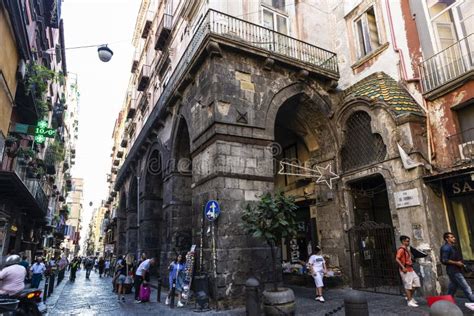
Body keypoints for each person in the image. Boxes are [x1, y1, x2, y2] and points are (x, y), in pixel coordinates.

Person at [440, 232, 474, 302]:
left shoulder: (452, 247)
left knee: (452, 288)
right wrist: (457, 263)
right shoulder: (446, 248)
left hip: (456, 270)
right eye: (451, 237)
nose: (454, 238)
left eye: (453, 237)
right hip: (453, 271)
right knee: (466, 288)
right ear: (447, 239)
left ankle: (447, 302)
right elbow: (444, 260)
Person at [395, 235, 420, 307]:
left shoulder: (407, 249)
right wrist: (403, 267)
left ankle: (409, 297)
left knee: (416, 282)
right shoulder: (401, 249)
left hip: (410, 269)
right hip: (405, 269)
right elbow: (397, 259)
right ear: (403, 241)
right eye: (407, 241)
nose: (408, 242)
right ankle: (409, 301)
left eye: (408, 241)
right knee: (408, 285)